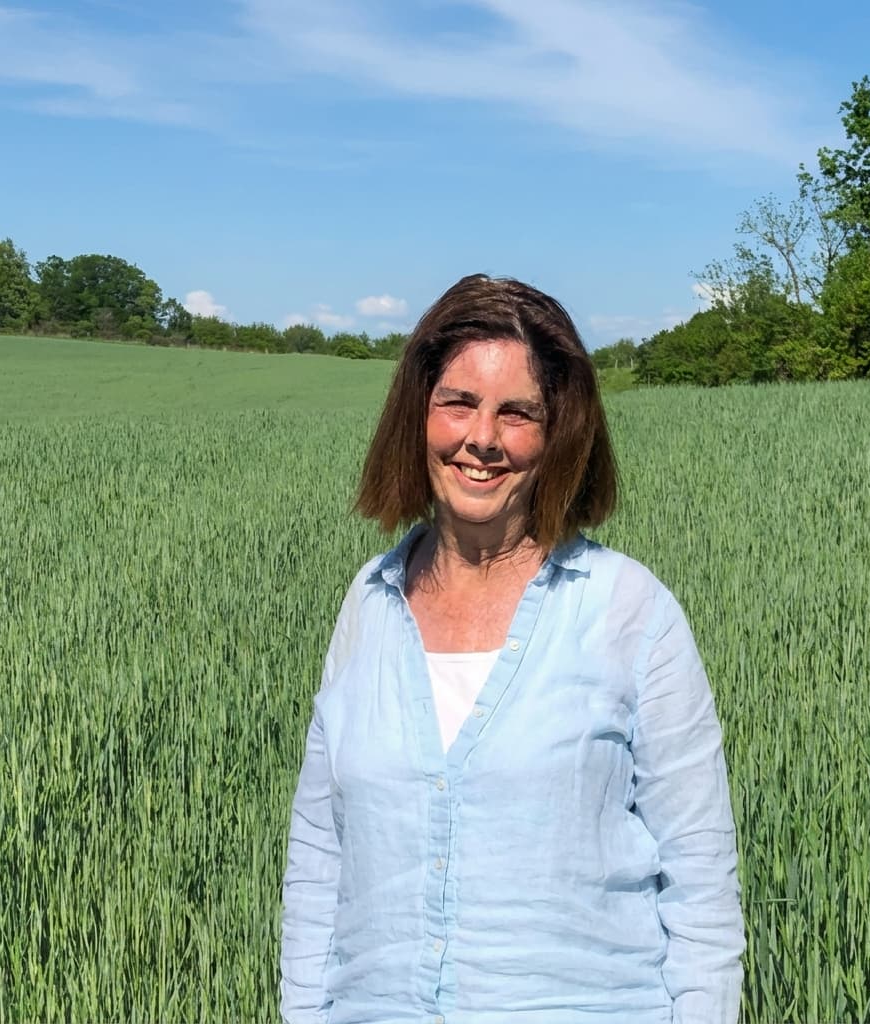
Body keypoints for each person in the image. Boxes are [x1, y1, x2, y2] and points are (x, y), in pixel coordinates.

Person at [280, 275, 745, 1024]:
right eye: (458, 402)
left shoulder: (631, 611)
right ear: (418, 415)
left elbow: (701, 884)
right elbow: (318, 856)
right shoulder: (369, 602)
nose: (483, 439)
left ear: (559, 431)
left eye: (517, 413)